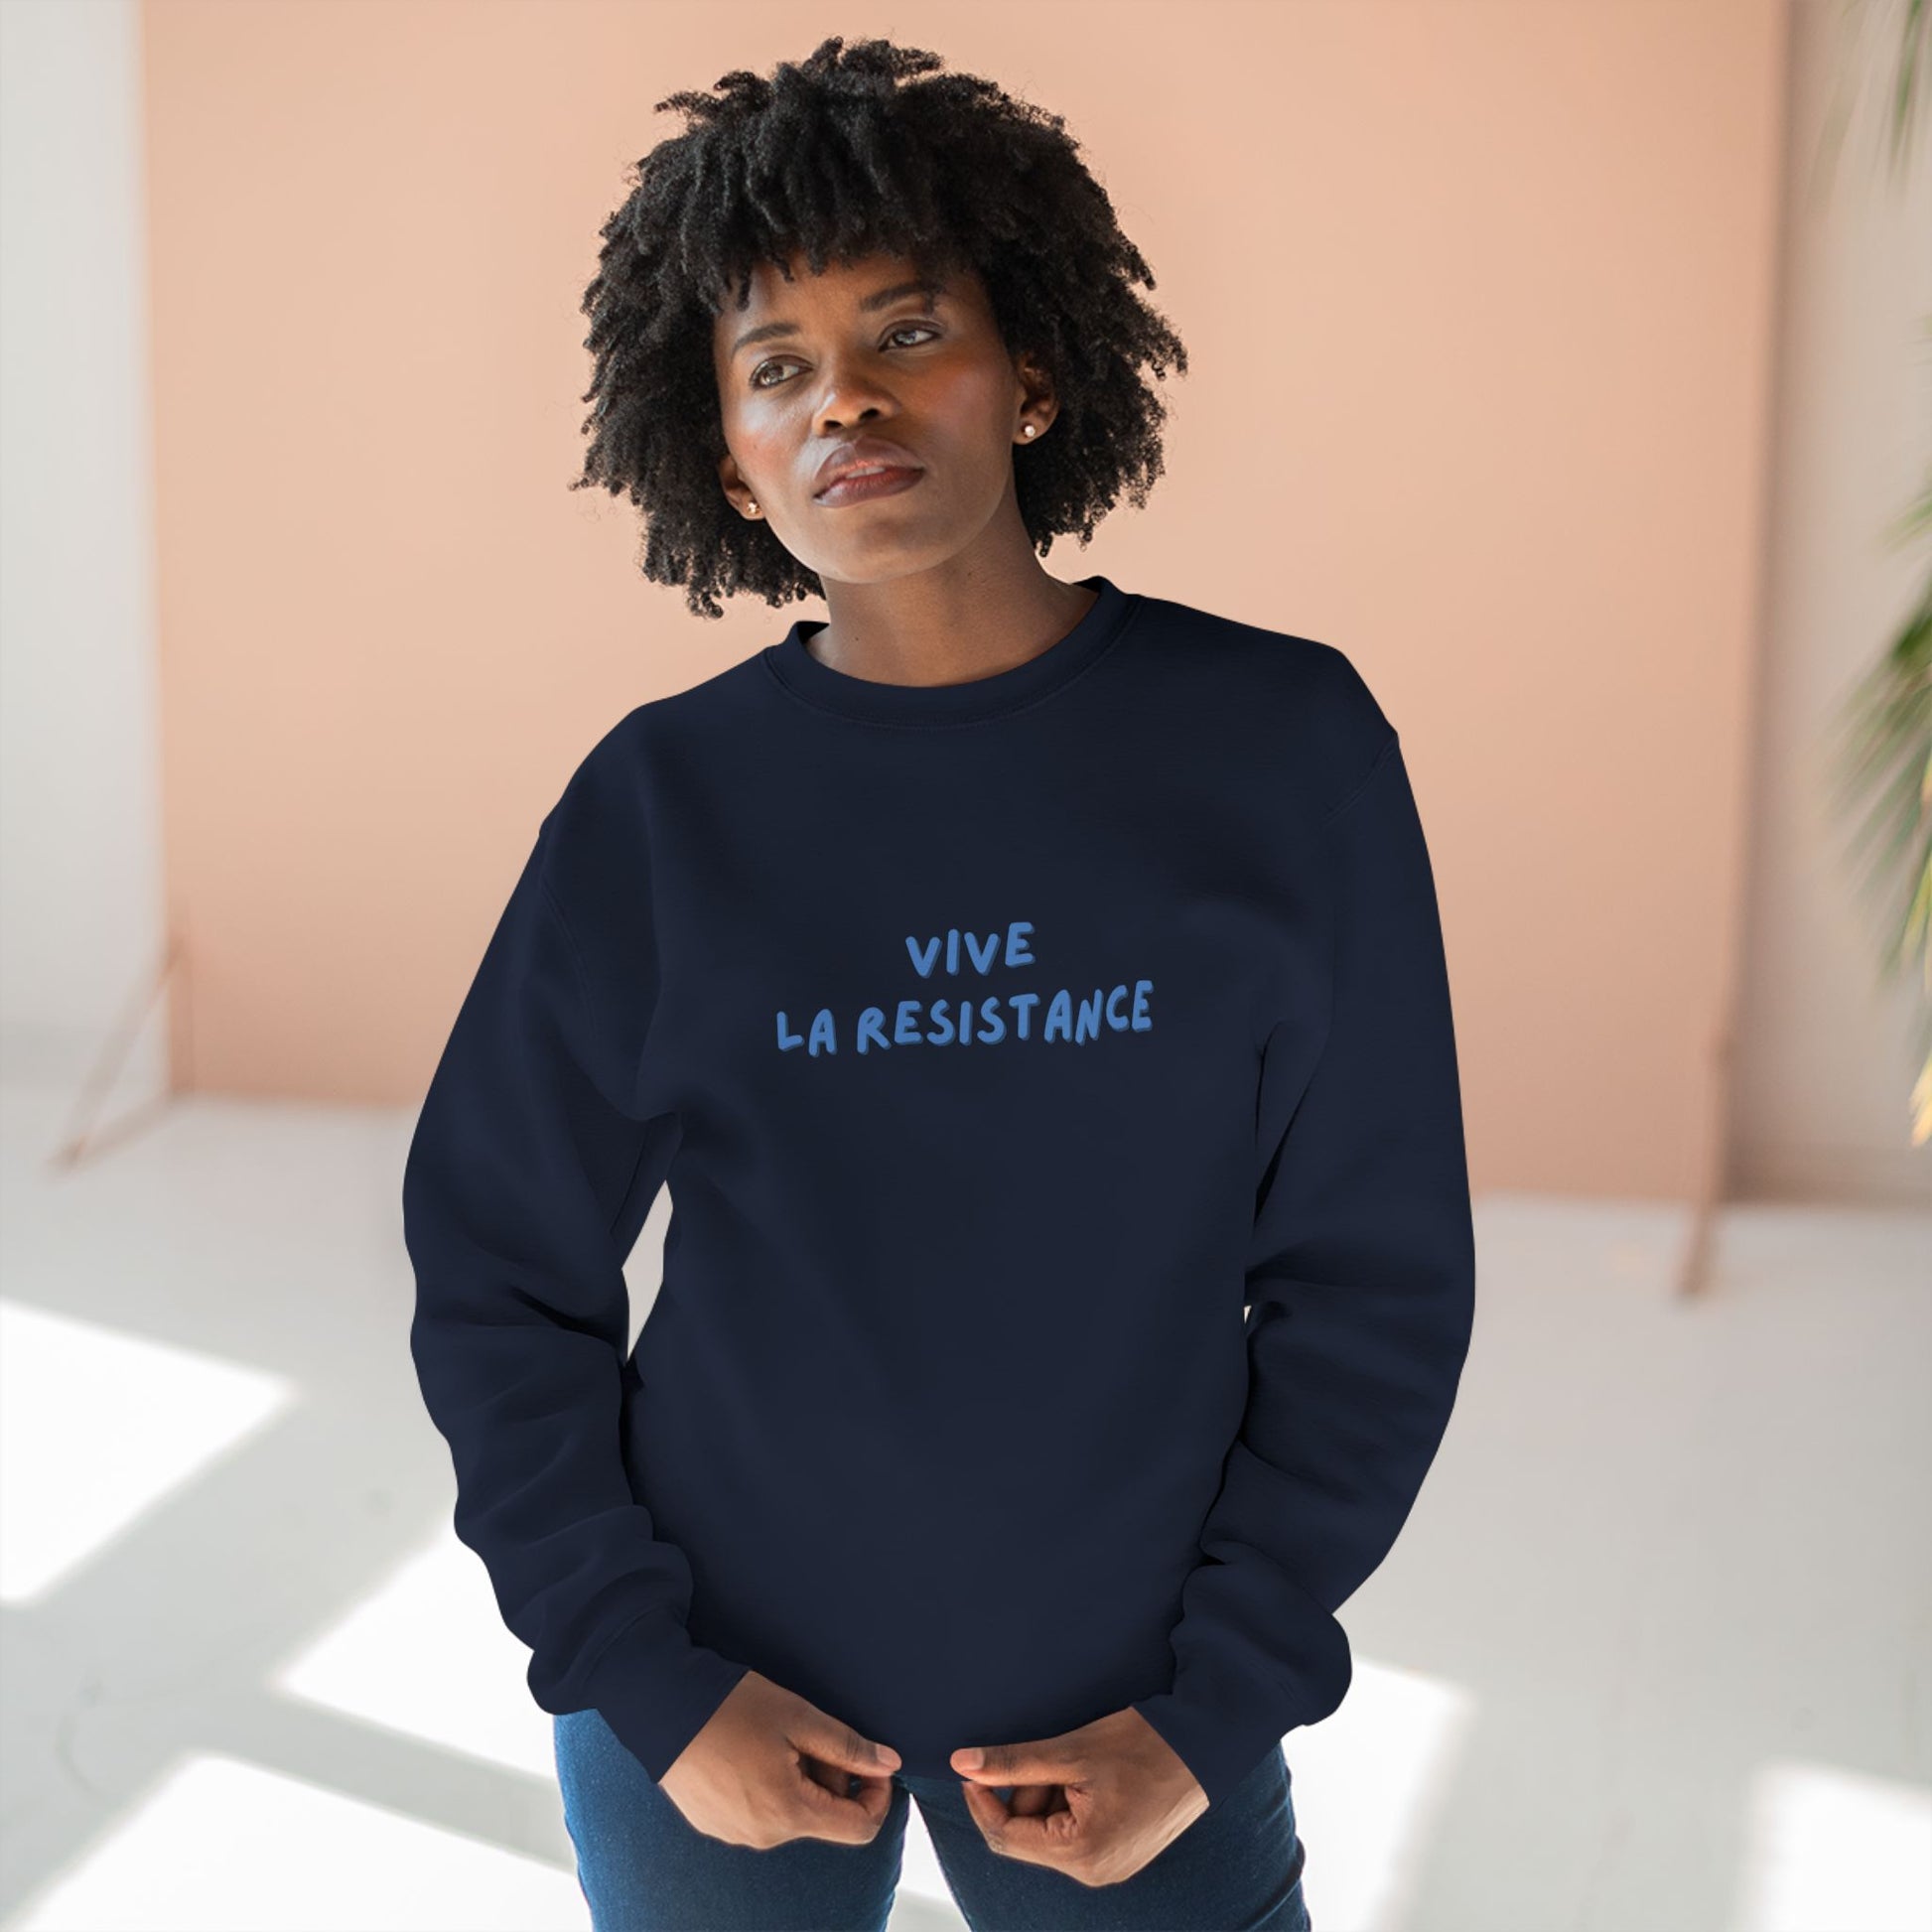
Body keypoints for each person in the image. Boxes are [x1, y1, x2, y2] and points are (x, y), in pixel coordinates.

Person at [402, 34, 1476, 1932]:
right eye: (777, 370)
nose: (847, 404)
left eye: (909, 333)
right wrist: (646, 1679)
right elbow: (500, 1268)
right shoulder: (664, 803)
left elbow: (1369, 1274)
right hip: (709, 1702)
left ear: (1035, 372)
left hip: (1132, 1706)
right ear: (721, 457)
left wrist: (1215, 1699)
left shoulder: (1278, 748)